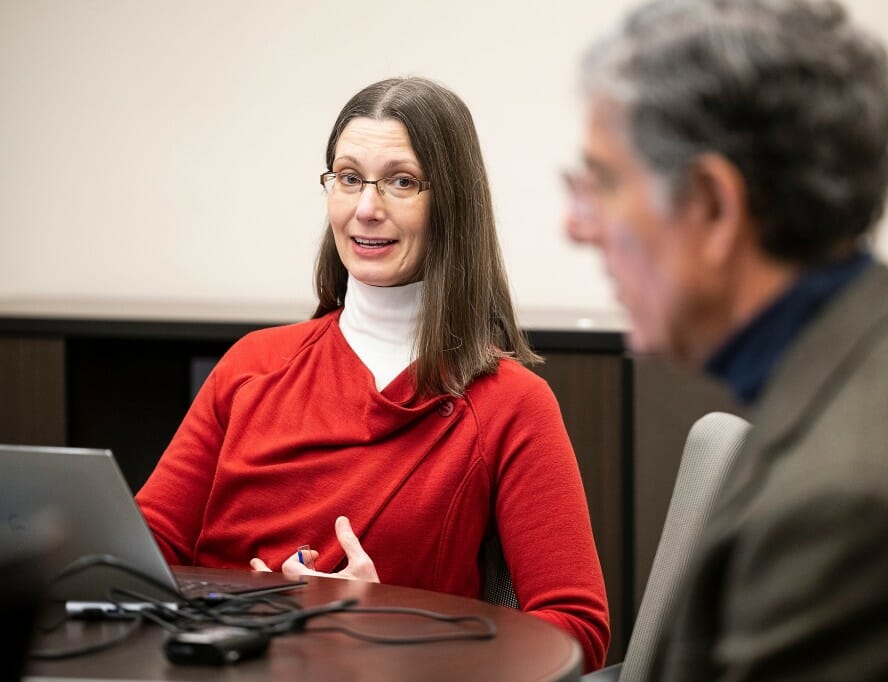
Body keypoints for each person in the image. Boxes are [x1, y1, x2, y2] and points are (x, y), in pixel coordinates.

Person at [566, 0, 888, 678]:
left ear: (715, 206)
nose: (579, 226)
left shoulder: (855, 505)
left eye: (602, 183)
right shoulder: (883, 359)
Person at [136, 76, 609, 671]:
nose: (366, 207)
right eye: (349, 177)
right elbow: (137, 554)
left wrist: (386, 623)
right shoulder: (252, 366)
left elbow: (576, 631)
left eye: (402, 181)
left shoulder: (509, 404)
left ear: (451, 204)